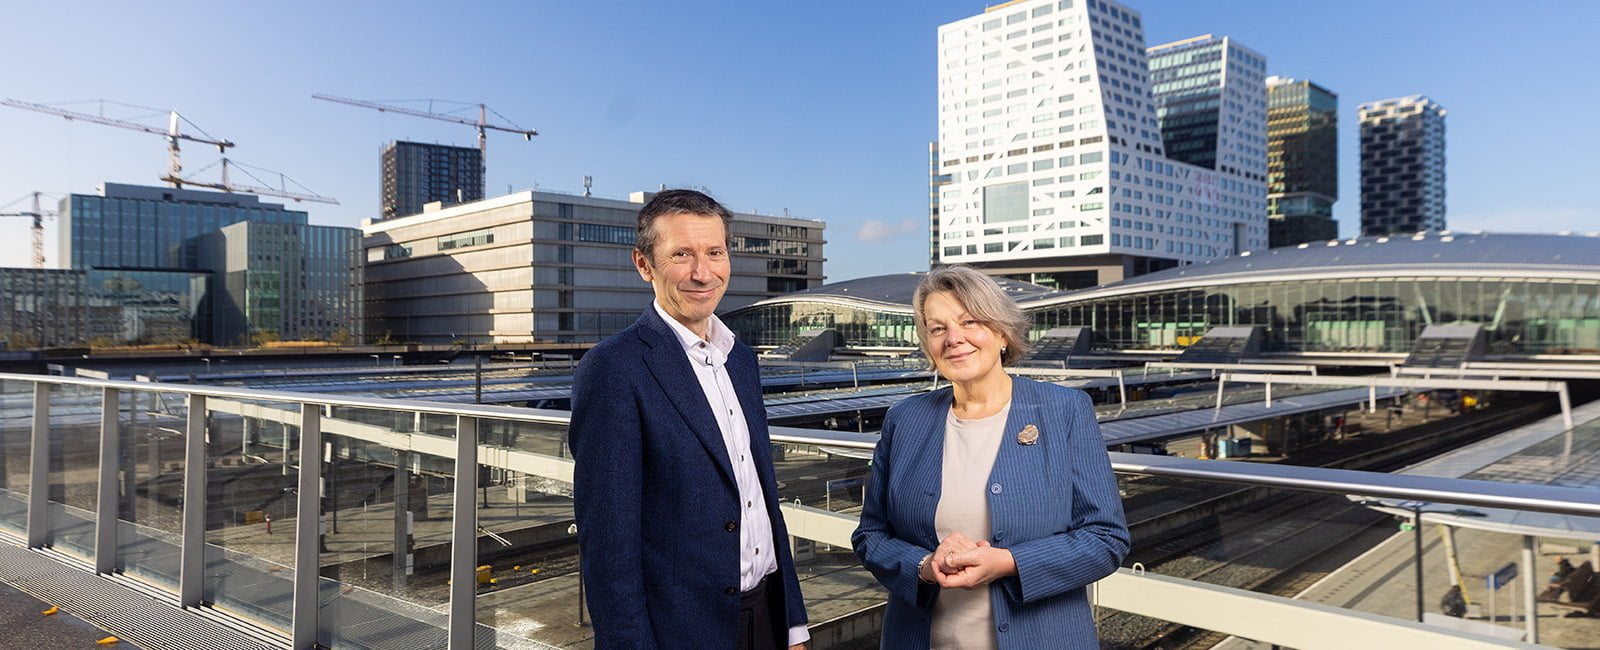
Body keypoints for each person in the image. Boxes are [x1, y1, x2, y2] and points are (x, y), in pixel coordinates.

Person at [568, 189, 808, 650]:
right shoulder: (615, 368)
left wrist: (793, 623)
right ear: (644, 265)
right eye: (682, 254)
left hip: (766, 617)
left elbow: (762, 501)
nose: (703, 272)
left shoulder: (740, 359)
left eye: (714, 253)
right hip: (679, 631)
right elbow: (608, 541)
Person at [852, 265, 1129, 650]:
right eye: (937, 328)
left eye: (970, 321)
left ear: (1002, 333)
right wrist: (925, 567)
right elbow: (871, 536)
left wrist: (1010, 562)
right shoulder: (905, 419)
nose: (954, 338)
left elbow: (1106, 539)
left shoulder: (1064, 410)